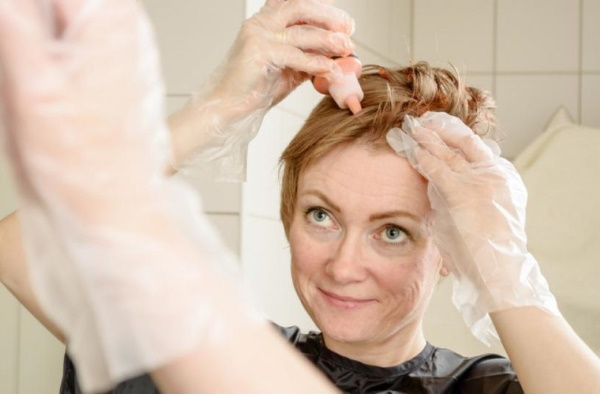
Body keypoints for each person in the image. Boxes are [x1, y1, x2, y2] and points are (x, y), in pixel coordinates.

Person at [1, 1, 599, 394]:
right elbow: (22, 246)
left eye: (393, 231)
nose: (343, 266)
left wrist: (506, 270)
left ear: (450, 251)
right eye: (321, 215)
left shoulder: (485, 389)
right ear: (287, 214)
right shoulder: (214, 362)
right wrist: (216, 111)